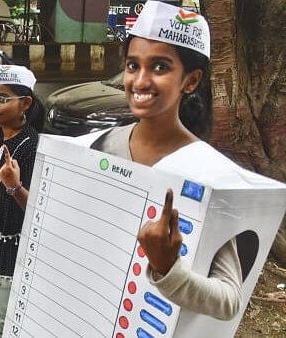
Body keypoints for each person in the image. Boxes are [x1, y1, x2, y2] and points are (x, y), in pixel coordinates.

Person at [84, 1, 242, 320]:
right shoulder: (100, 145)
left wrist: (168, 268)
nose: (140, 81)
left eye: (159, 67)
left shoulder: (207, 171)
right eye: (132, 65)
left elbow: (229, 300)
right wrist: (19, 190)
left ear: (191, 80)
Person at [0, 64, 45, 336]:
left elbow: (38, 209)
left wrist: (15, 186)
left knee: (2, 324)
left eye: (2, 98)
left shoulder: (31, 146)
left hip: (13, 252)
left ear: (25, 103)